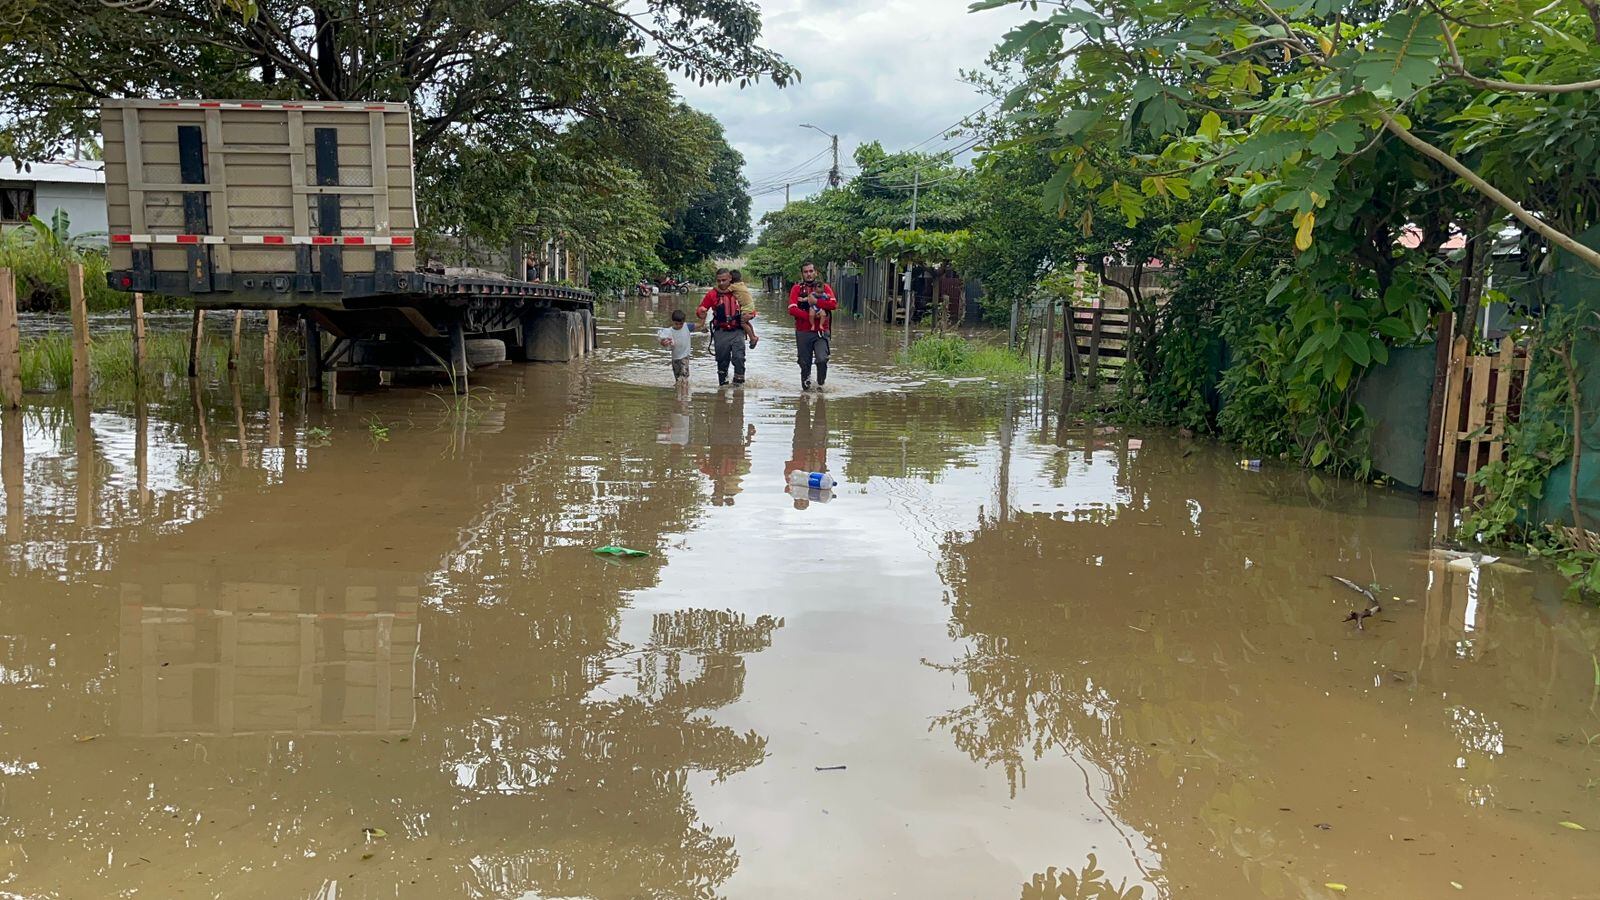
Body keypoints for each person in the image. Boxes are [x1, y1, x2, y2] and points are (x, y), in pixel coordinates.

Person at [787, 261, 838, 391]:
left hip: (821, 331)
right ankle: (806, 392)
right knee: (804, 364)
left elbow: (833, 305)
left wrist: (817, 302)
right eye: (806, 272)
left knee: (822, 359)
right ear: (802, 274)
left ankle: (820, 385)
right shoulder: (796, 289)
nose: (809, 274)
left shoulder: (825, 288)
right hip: (803, 331)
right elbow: (792, 309)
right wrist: (809, 316)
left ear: (816, 272)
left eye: (811, 271)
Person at [697, 268, 748, 385]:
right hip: (721, 331)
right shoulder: (712, 294)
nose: (721, 283)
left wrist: (750, 316)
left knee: (739, 358)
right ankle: (722, 386)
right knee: (722, 360)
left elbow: (750, 307)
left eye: (724, 280)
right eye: (718, 281)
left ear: (730, 279)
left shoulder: (740, 292)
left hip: (737, 331)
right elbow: (701, 308)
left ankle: (739, 386)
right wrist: (701, 311)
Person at [656, 307, 694, 382]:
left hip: (684, 356)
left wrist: (703, 319)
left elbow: (699, 325)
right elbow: (661, 340)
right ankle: (678, 392)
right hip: (675, 358)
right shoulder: (669, 331)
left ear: (684, 322)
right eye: (676, 324)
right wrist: (663, 343)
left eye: (681, 324)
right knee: (678, 379)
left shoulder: (687, 326)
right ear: (672, 321)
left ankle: (685, 392)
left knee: (684, 377)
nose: (679, 326)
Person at [729, 268, 759, 349]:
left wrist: (716, 289)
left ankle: (752, 338)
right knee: (747, 322)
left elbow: (723, 291)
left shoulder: (733, 286)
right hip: (751, 306)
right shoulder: (741, 284)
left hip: (746, 307)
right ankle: (754, 336)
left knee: (742, 322)